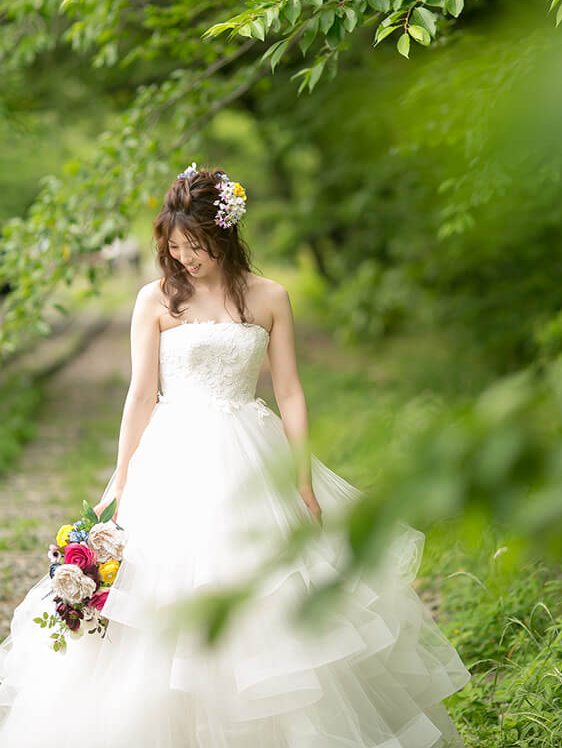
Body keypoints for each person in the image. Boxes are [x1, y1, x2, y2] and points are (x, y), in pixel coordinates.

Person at [0, 163, 471, 747]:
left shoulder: (270, 297)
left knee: (271, 593)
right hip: (171, 457)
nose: (186, 258)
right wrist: (121, 479)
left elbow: (291, 390)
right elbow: (141, 393)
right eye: (175, 247)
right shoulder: (154, 301)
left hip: (251, 450)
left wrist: (301, 476)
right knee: (153, 597)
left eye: (195, 246)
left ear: (223, 235)